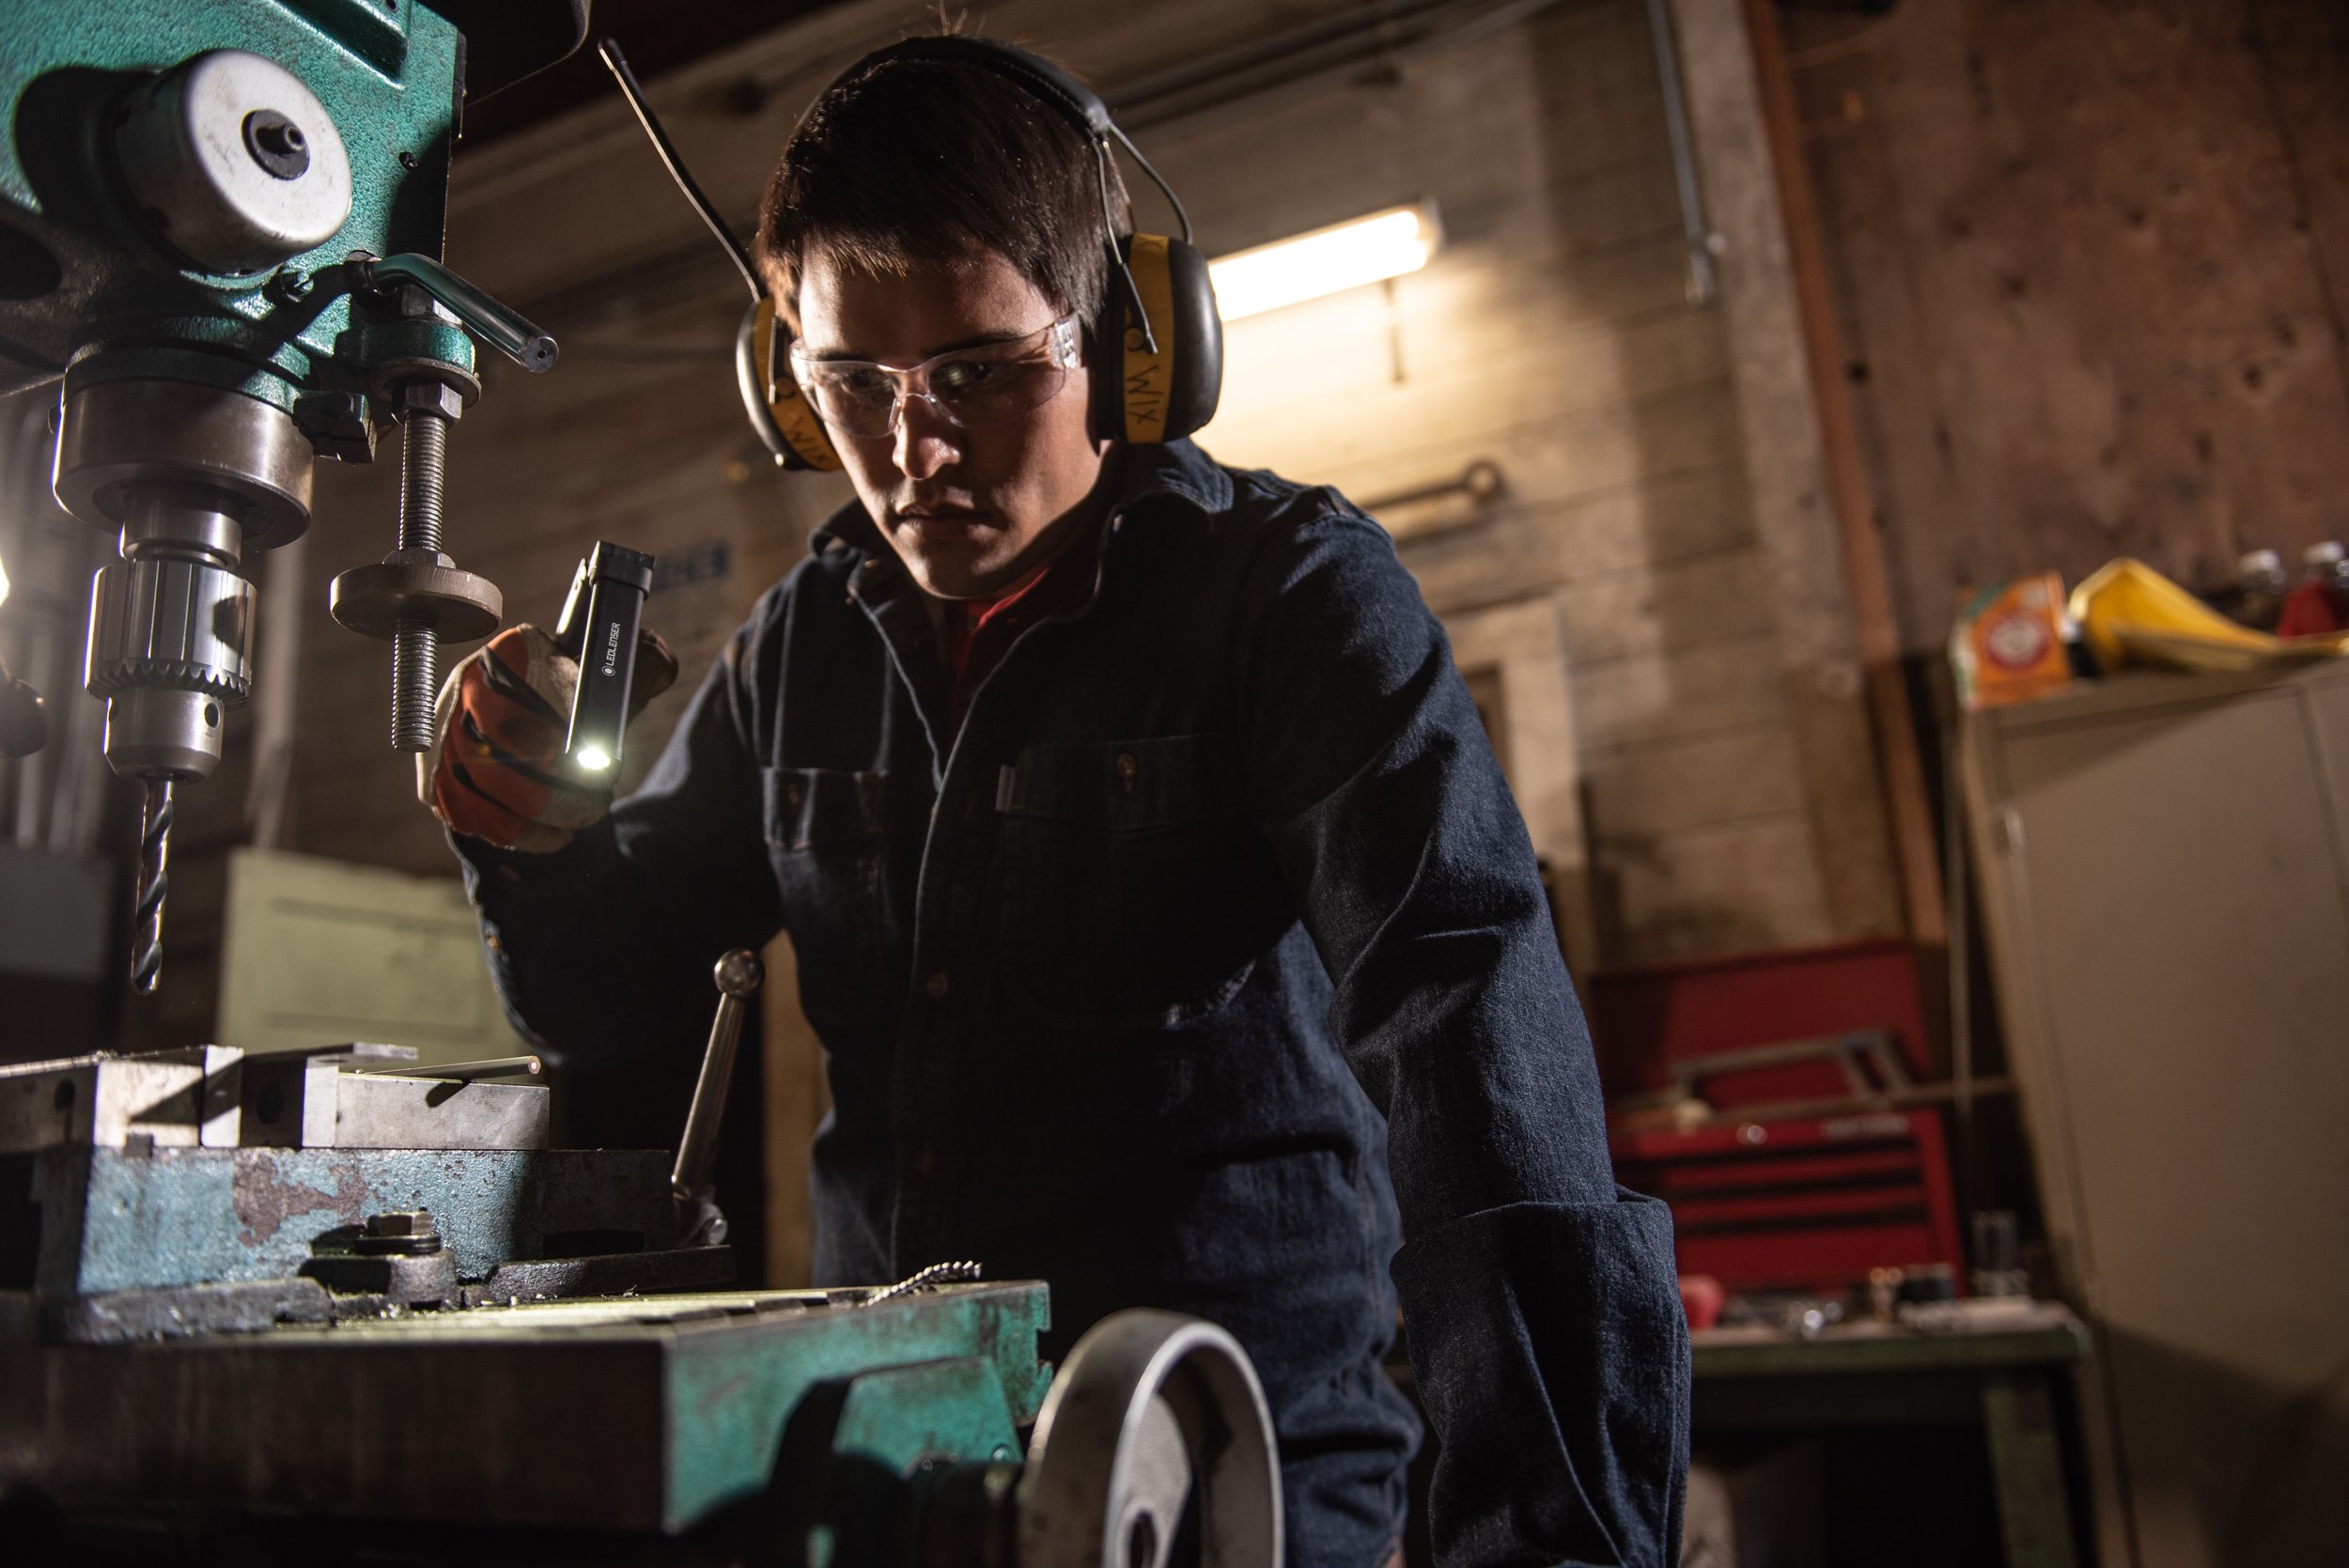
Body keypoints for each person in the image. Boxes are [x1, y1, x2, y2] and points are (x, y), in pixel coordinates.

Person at [424, 36, 1688, 1568]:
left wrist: (1552, 1538)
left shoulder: (1289, 607)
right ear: (784, 379)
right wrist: (529, 834)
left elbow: (1472, 1038)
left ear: (1123, 338)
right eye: (852, 386)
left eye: (980, 371)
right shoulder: (803, 645)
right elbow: (603, 994)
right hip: (892, 1480)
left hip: (1227, 1480)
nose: (915, 449)